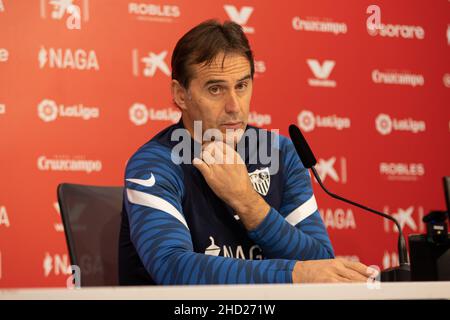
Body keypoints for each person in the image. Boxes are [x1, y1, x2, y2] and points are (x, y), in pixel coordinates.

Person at [119, 19, 372, 285]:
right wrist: (292, 274)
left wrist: (248, 203)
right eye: (215, 89)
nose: (234, 106)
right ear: (181, 95)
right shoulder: (153, 163)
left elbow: (321, 263)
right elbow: (173, 269)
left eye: (241, 86)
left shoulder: (280, 153)